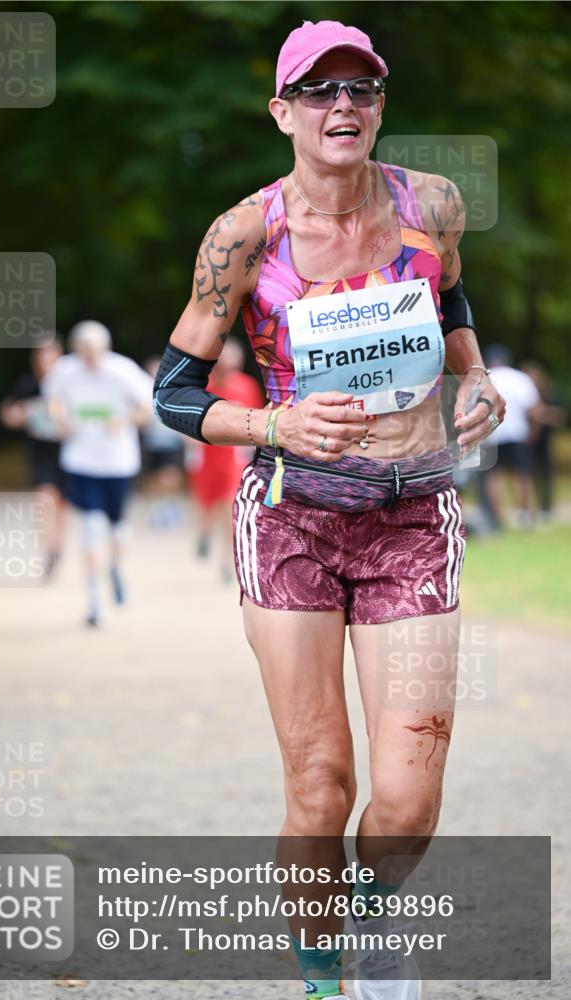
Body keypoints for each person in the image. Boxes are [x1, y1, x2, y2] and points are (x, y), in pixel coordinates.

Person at [153, 20, 505, 1000]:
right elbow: (174, 391)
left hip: (411, 513)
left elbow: (453, 308)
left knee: (405, 795)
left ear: (379, 105)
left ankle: (376, 912)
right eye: (318, 91)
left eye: (360, 89)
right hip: (292, 517)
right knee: (321, 784)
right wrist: (274, 424)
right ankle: (321, 973)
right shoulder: (243, 235)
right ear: (282, 112)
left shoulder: (429, 203)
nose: (341, 106)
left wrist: (473, 376)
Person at [43, 321, 153, 626]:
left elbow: (147, 407)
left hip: (118, 464)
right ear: (76, 350)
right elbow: (53, 401)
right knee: (90, 528)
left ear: (106, 349)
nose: (89, 359)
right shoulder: (64, 371)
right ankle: (94, 601)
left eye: (95, 352)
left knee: (118, 531)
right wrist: (59, 418)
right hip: (80, 462)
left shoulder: (123, 371)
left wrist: (127, 420)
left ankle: (115, 566)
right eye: (84, 352)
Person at [187, 337, 264, 580]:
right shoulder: (204, 388)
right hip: (207, 455)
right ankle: (204, 533)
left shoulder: (246, 386)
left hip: (233, 457)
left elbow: (258, 418)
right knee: (206, 504)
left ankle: (226, 562)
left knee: (230, 507)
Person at [0, 337, 67, 578]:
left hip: (68, 453)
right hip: (40, 453)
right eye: (40, 356)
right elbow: (6, 413)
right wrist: (18, 414)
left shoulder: (70, 383)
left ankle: (57, 546)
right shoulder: (27, 384)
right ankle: (48, 550)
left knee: (61, 506)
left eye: (49, 355)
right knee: (44, 500)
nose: (45, 361)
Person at [479, 345, 541, 530]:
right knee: (521, 475)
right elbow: (534, 409)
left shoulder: (484, 379)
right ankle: (525, 517)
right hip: (516, 432)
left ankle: (498, 521)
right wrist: (532, 433)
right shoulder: (520, 378)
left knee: (494, 477)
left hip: (491, 434)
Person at [141, 356, 187, 530]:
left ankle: (171, 506)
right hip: (152, 443)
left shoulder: (172, 389)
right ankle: (157, 509)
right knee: (152, 477)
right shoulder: (144, 390)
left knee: (170, 476)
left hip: (170, 441)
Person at [520, 359, 566, 521]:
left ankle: (546, 506)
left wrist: (543, 415)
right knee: (527, 474)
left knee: (545, 473)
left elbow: (560, 416)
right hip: (525, 440)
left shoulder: (549, 393)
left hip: (543, 440)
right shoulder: (523, 392)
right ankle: (529, 507)